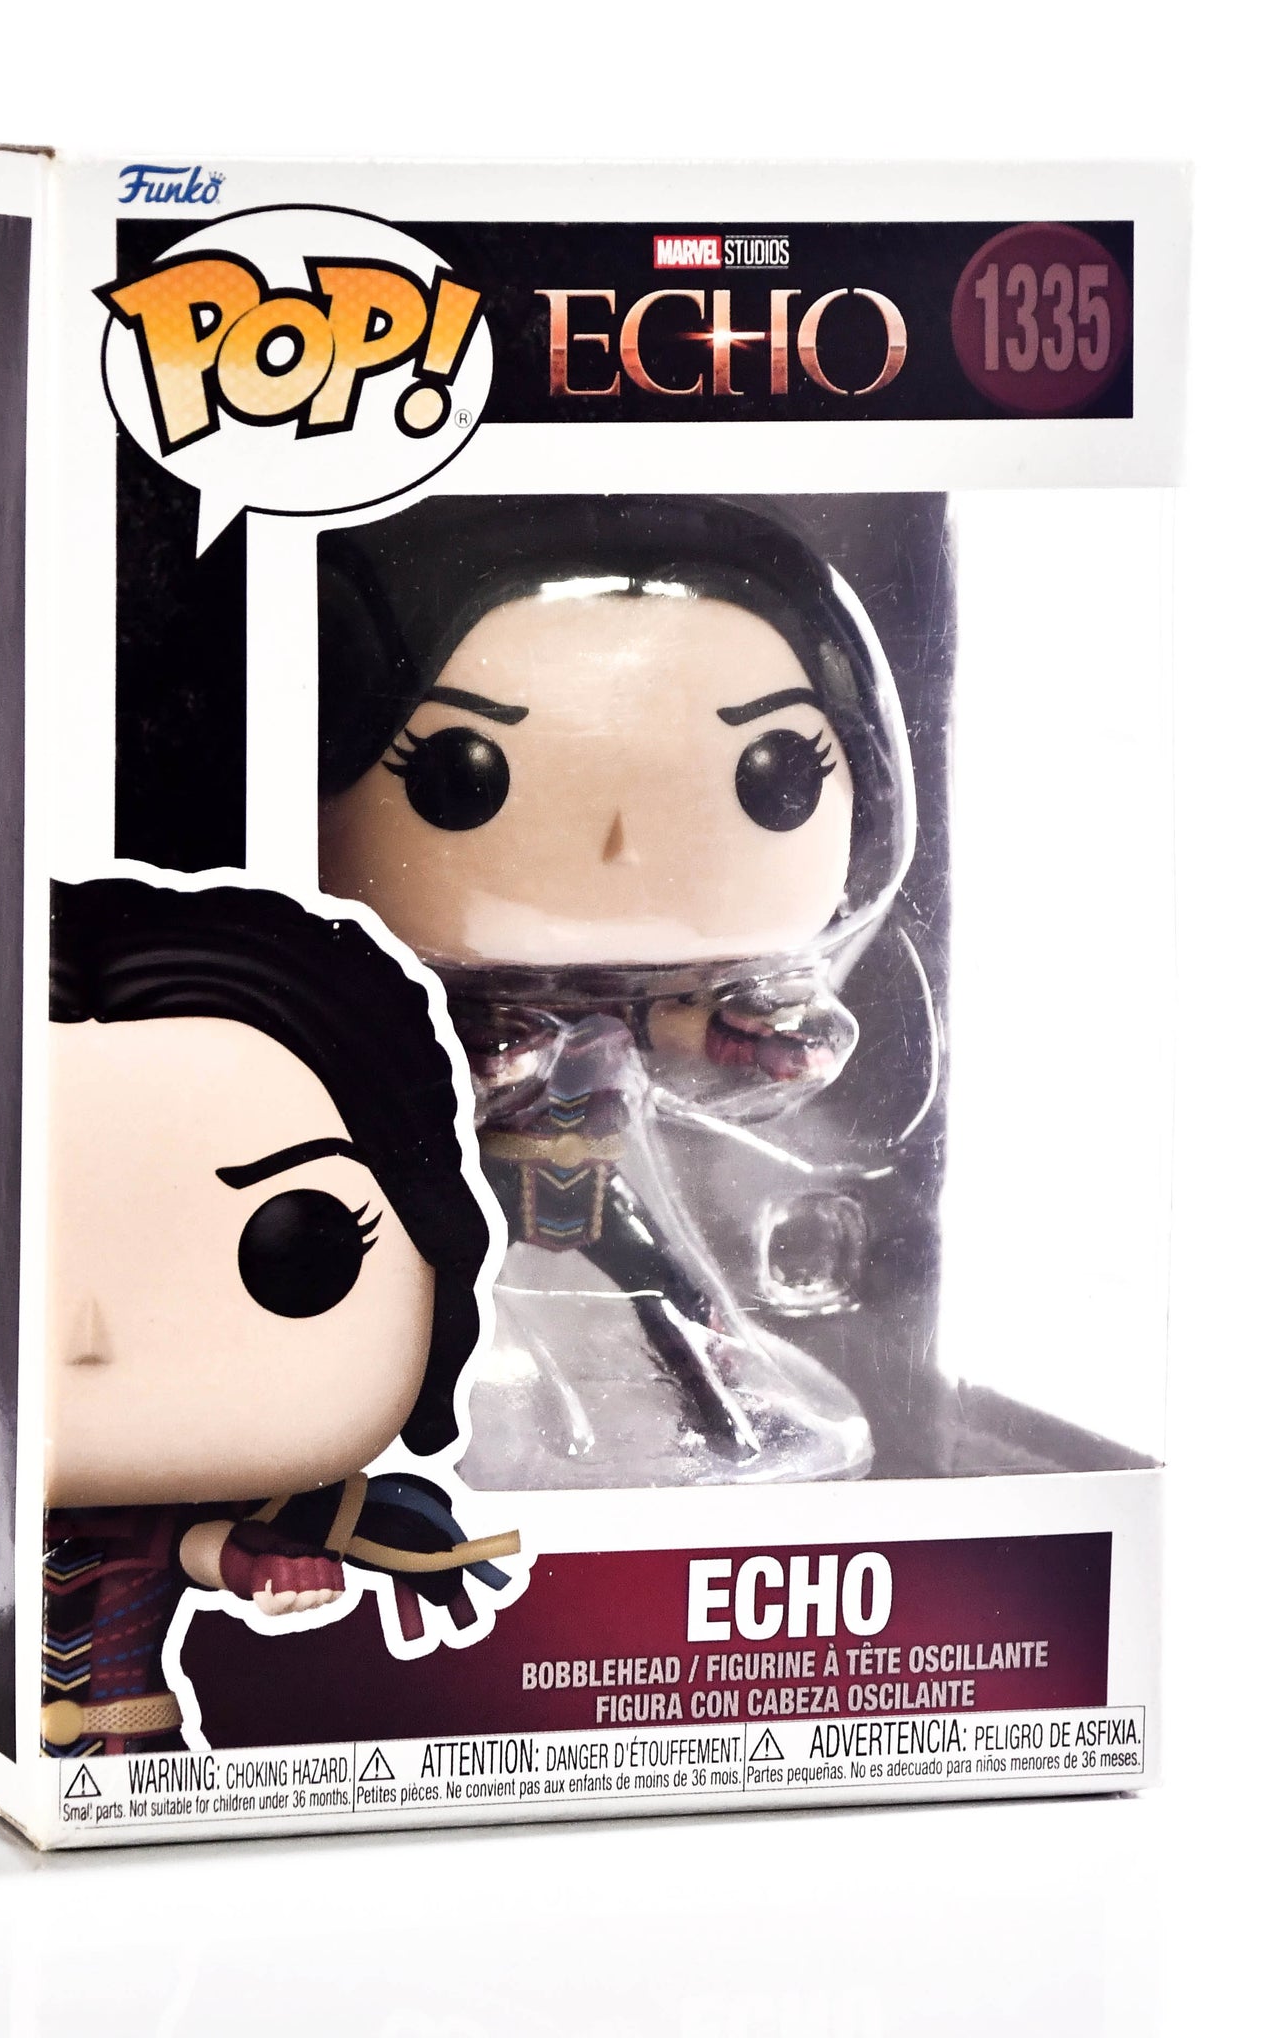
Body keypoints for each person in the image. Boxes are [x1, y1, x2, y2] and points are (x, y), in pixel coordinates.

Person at [318, 496, 919, 1486]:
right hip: (476, 1175)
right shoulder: (422, 1004)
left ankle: (722, 1406)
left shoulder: (641, 1003)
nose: (620, 842)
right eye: (461, 774)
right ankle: (388, 1428)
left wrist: (765, 1043)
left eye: (771, 772)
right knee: (423, 1292)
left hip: (593, 1173)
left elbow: (690, 1033)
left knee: (671, 1288)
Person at [41, 875, 518, 1758]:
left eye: (299, 1250)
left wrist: (274, 1566)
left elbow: (210, 1551)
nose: (85, 1336)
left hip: (133, 1752)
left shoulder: (150, 1525)